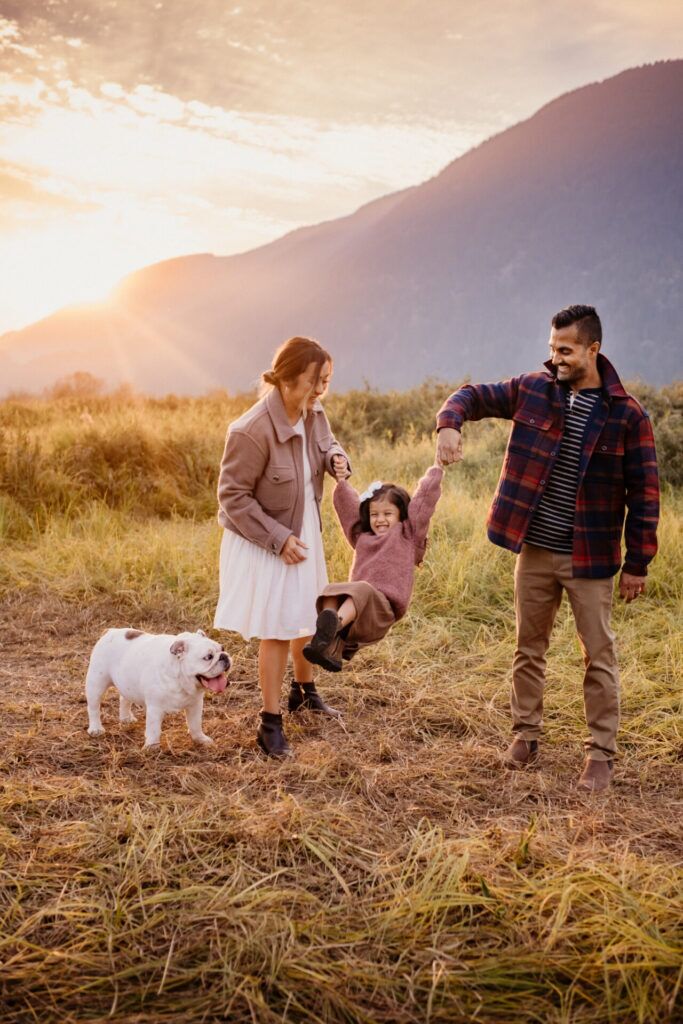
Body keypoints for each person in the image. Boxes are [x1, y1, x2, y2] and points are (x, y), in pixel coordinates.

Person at [436, 305, 659, 793]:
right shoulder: (532, 390)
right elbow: (471, 395)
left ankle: (600, 755)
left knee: (598, 656)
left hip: (590, 558)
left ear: (593, 349)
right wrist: (449, 422)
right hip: (534, 550)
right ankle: (526, 736)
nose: (554, 358)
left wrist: (637, 563)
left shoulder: (627, 415)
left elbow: (645, 494)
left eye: (565, 350)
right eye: (552, 347)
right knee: (528, 648)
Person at [215, 336, 350, 758]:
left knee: (308, 611)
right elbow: (232, 497)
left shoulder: (313, 411)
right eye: (315, 381)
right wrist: (278, 539)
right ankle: (269, 724)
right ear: (288, 380)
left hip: (303, 528)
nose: (321, 390)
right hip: (265, 537)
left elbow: (327, 444)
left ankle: (304, 692)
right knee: (276, 628)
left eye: (326, 381)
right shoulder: (250, 430)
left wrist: (337, 459)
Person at [303, 460, 443, 671]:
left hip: (382, 610)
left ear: (401, 514)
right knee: (330, 590)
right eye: (374, 514)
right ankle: (328, 643)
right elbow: (348, 510)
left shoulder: (408, 535)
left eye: (387, 514)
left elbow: (424, 503)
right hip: (356, 611)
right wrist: (341, 481)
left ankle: (333, 627)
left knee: (362, 589)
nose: (380, 519)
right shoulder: (362, 537)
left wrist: (438, 467)